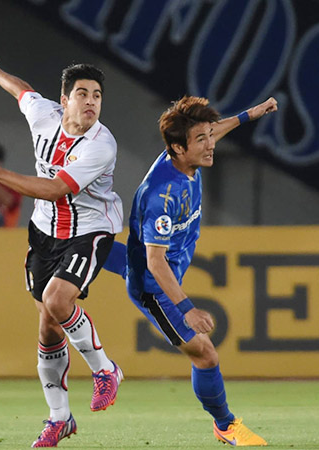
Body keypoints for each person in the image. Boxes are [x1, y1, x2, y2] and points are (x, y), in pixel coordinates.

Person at [0, 51, 124, 448]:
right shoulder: (44, 115)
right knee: (48, 325)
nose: (91, 102)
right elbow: (21, 90)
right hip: (43, 234)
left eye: (98, 95)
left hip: (90, 230)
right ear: (64, 99)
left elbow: (56, 190)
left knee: (57, 300)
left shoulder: (100, 144)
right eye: (83, 94)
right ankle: (59, 417)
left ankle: (106, 370)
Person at [125, 95, 277, 446]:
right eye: (202, 140)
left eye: (210, 135)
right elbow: (154, 262)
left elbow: (214, 130)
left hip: (161, 269)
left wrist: (250, 114)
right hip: (154, 287)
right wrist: (186, 309)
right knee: (205, 354)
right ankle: (225, 425)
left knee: (106, 252)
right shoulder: (164, 194)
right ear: (179, 148)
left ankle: (81, 249)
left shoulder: (184, 158)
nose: (211, 145)